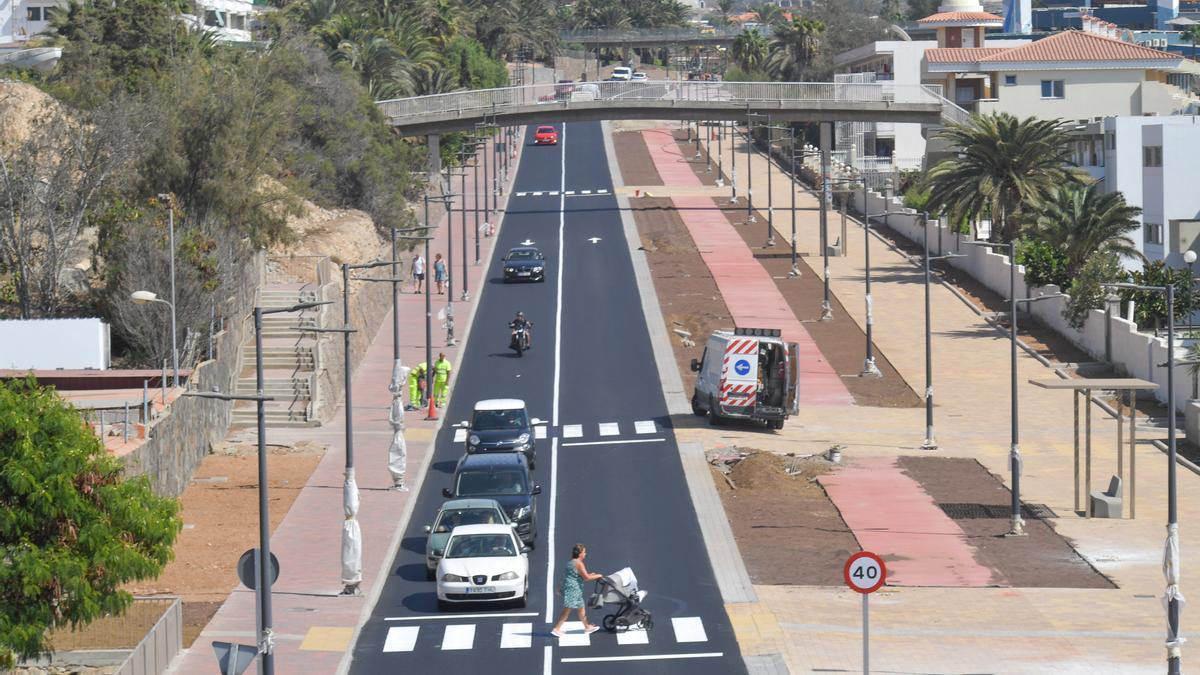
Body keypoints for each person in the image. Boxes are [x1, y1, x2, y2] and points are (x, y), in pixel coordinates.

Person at [551, 544, 603, 638]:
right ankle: (556, 629)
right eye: (584, 552)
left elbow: (577, 576)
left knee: (581, 608)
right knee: (567, 610)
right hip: (573, 590)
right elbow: (586, 578)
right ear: (580, 554)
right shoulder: (579, 563)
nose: (585, 554)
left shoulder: (571, 562)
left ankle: (587, 627)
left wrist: (591, 575)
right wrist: (598, 576)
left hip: (574, 589)